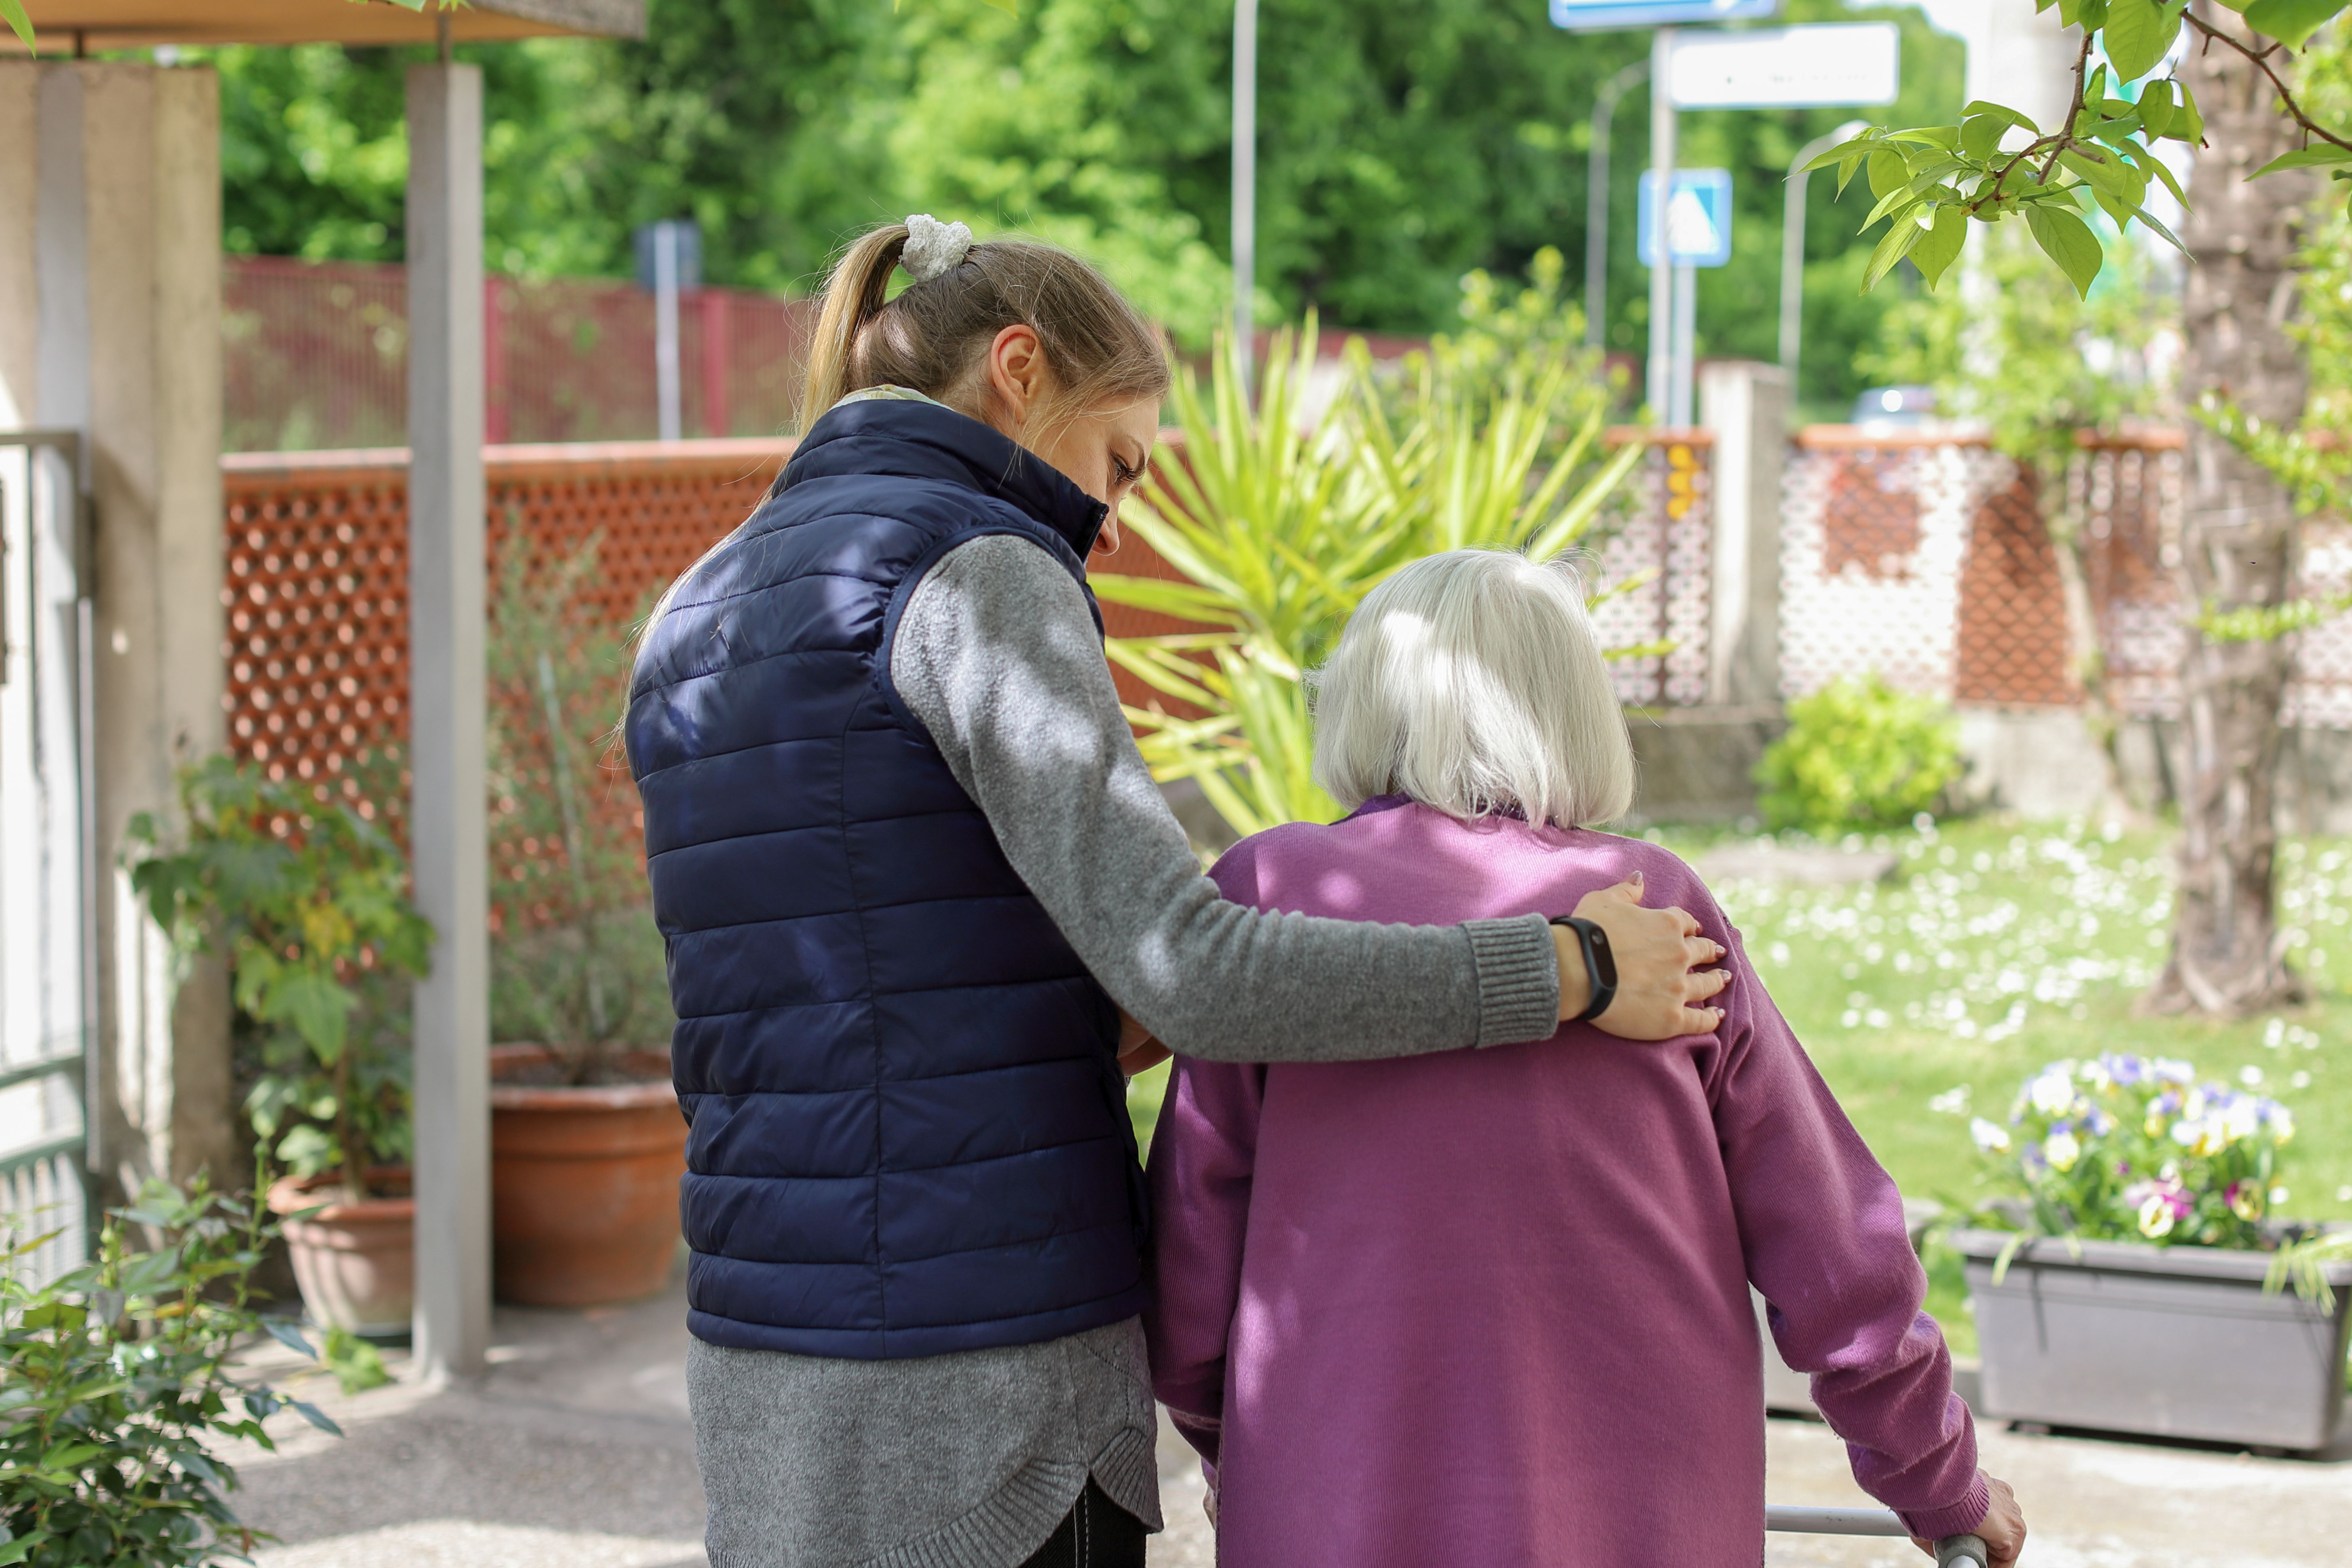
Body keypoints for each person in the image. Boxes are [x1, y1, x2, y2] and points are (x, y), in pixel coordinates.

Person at [623, 218, 1732, 1568]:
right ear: (1017, 373)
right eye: (1116, 463)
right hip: (990, 1374)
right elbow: (1188, 965)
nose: (1115, 513)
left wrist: (1069, 1016)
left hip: (758, 1345)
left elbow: (824, 982)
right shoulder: (979, 572)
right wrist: (1567, 967)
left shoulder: (698, 608)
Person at [1145, 548, 2030, 1568]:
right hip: (1643, 1519)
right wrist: (1939, 1480)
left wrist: (1242, 1453)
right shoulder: (1652, 910)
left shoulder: (1270, 893)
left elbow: (1191, 1266)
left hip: (1340, 1507)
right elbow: (1832, 1249)